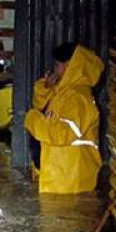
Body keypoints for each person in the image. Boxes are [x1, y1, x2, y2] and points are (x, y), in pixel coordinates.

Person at [24, 42, 104, 194]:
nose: (54, 69)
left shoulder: (76, 97)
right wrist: (46, 87)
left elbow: (61, 134)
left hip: (69, 180)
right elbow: (42, 106)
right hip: (62, 176)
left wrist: (32, 119)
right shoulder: (66, 91)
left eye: (56, 65)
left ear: (69, 66)